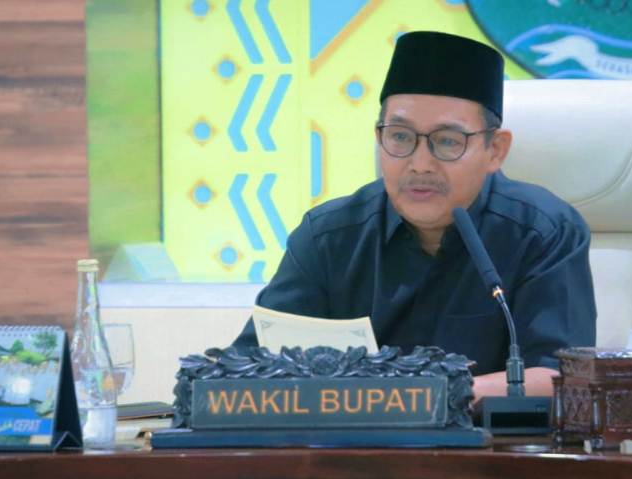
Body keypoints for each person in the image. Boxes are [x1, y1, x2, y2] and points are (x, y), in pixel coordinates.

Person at [233, 31, 596, 402]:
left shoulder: (544, 232)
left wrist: (422, 396)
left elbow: (564, 377)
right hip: (351, 439)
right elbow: (250, 368)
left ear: (495, 150)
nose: (420, 164)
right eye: (401, 137)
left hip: (490, 439)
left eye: (448, 141)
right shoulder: (328, 237)